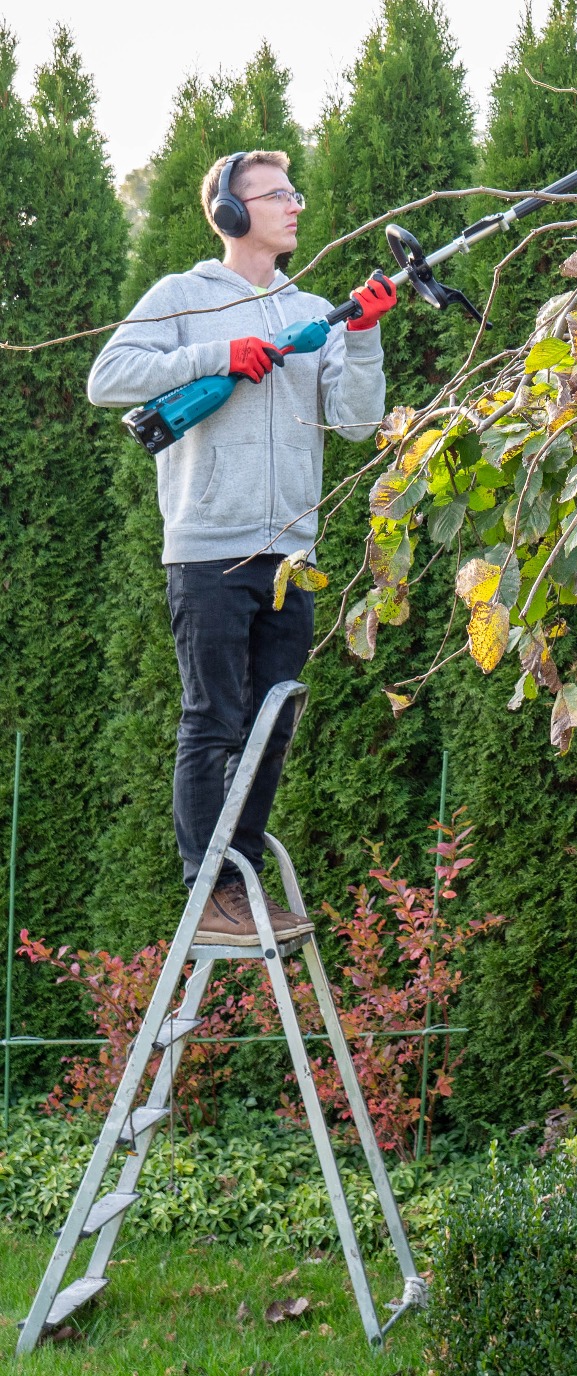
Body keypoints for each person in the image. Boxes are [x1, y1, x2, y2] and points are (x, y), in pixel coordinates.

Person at [87, 151, 394, 946]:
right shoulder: (182, 299)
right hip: (208, 548)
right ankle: (208, 889)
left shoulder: (315, 308)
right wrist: (217, 356)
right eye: (276, 194)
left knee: (272, 722)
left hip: (291, 550)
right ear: (229, 212)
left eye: (295, 192)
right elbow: (108, 377)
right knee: (214, 720)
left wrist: (361, 339)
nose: (295, 205)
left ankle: (242, 876)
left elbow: (357, 422)